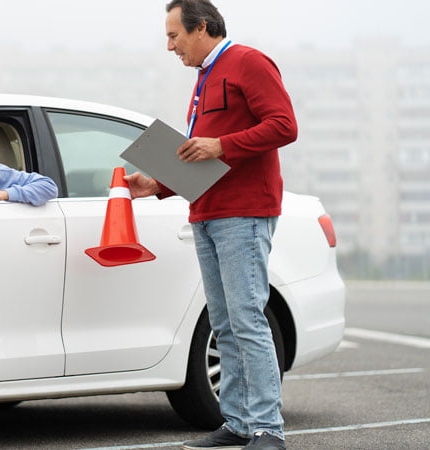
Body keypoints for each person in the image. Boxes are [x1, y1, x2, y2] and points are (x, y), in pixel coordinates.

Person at [124, 1, 297, 449]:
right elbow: (201, 158)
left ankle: (266, 429)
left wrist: (221, 144)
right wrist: (157, 185)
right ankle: (238, 423)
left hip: (244, 213)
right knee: (223, 323)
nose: (169, 46)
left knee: (246, 320)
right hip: (206, 212)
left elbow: (283, 125)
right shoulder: (205, 77)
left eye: (174, 35)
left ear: (202, 28)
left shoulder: (248, 61)